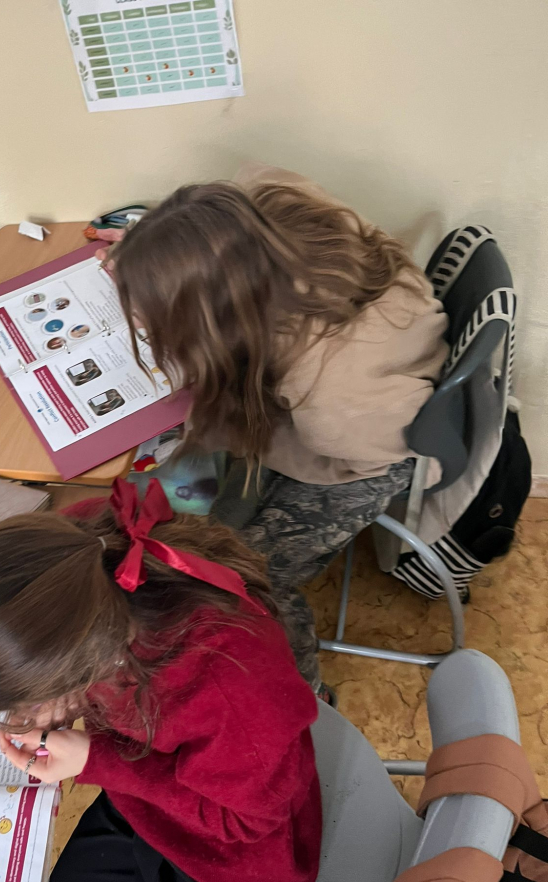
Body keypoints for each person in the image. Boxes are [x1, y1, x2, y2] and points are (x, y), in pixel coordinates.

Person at [0, 478, 321, 882]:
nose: (23, 717)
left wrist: (95, 760)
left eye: (32, 700)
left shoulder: (229, 686)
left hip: (239, 872)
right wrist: (72, 711)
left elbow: (245, 823)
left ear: (91, 659)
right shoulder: (86, 556)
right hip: (146, 811)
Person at [101, 163, 449, 702]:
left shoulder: (332, 401)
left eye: (157, 318)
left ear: (216, 319)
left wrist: (237, 468)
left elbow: (352, 453)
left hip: (364, 459)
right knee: (181, 501)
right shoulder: (275, 202)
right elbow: (228, 200)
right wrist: (151, 254)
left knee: (247, 579)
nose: (146, 327)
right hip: (331, 402)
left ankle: (308, 696)